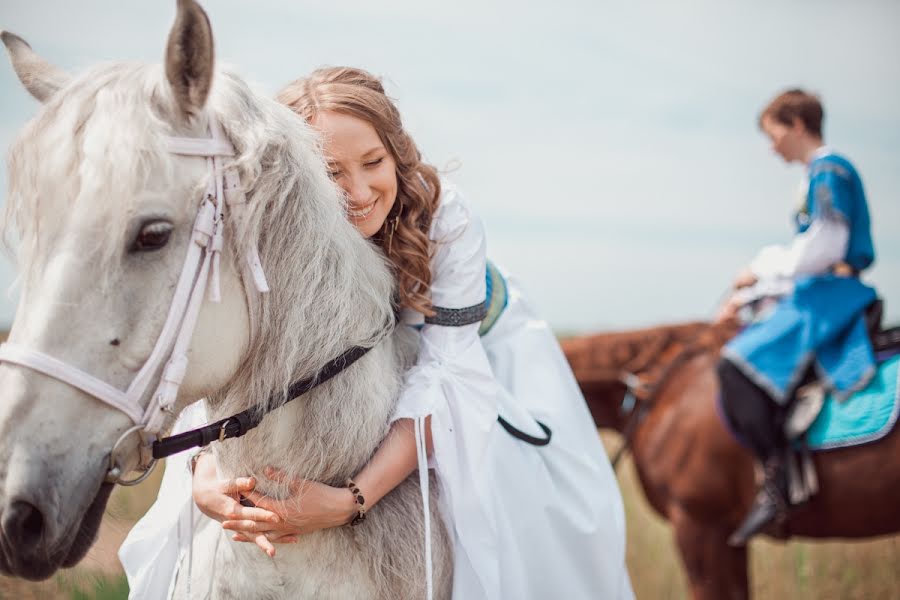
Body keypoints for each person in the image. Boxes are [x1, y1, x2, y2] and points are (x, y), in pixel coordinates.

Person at [120, 67, 633, 599]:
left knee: (528, 504)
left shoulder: (445, 217)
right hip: (359, 354)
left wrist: (352, 500)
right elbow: (241, 353)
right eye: (332, 171)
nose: (360, 192)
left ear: (396, 152)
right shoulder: (274, 219)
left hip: (474, 348)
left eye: (373, 163)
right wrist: (201, 472)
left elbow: (448, 373)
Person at [716, 89, 877, 546]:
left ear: (798, 125)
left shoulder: (828, 170)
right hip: (815, 289)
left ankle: (778, 481)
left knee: (735, 365)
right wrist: (752, 293)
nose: (772, 147)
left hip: (828, 294)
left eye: (774, 134)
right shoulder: (818, 174)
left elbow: (820, 251)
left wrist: (758, 270)